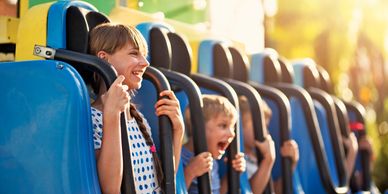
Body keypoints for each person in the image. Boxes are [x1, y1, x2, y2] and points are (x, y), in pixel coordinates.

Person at [88, 23, 185, 194]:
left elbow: (163, 180)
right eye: (134, 53)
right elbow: (110, 188)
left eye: (145, 55)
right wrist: (111, 116)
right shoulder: (92, 118)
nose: (145, 63)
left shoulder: (137, 117)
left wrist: (178, 130)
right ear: (103, 58)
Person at [182, 94, 246, 194]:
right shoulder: (180, 157)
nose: (232, 134)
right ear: (199, 127)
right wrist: (190, 172)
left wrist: (232, 172)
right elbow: (172, 190)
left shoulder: (212, 160)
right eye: (223, 126)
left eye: (233, 127)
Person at [239, 96, 299, 194]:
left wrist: (292, 164)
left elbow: (274, 190)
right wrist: (268, 159)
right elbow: (251, 191)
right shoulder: (238, 160)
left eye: (266, 127)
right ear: (240, 126)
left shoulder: (256, 157)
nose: (265, 132)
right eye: (260, 126)